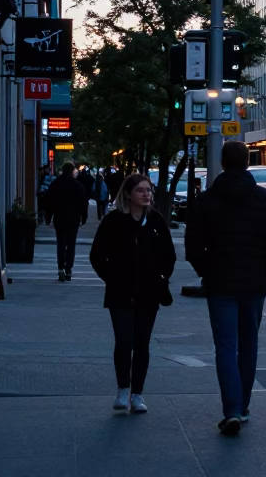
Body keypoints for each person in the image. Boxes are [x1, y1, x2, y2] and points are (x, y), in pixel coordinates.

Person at [185, 141, 266, 436]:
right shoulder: (265, 199)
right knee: (249, 344)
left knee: (225, 346)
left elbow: (193, 247)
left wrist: (207, 271)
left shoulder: (206, 201)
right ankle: (242, 406)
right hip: (254, 282)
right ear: (247, 163)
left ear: (222, 162)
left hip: (220, 283)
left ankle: (231, 409)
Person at [89, 173, 176, 414]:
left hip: (149, 293)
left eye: (148, 190)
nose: (146, 194)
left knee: (142, 343)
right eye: (140, 190)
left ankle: (138, 394)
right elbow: (97, 255)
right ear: (128, 194)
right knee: (124, 341)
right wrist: (113, 278)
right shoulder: (114, 221)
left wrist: (161, 277)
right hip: (120, 294)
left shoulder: (157, 221)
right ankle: (123, 389)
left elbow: (169, 255)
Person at [44, 161, 89, 282]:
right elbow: (84, 203)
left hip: (60, 217)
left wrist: (48, 216)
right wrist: (84, 217)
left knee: (61, 242)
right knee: (71, 243)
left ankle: (60, 269)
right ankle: (68, 269)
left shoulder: (56, 184)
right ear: (72, 171)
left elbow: (49, 201)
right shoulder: (78, 186)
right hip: (73, 218)